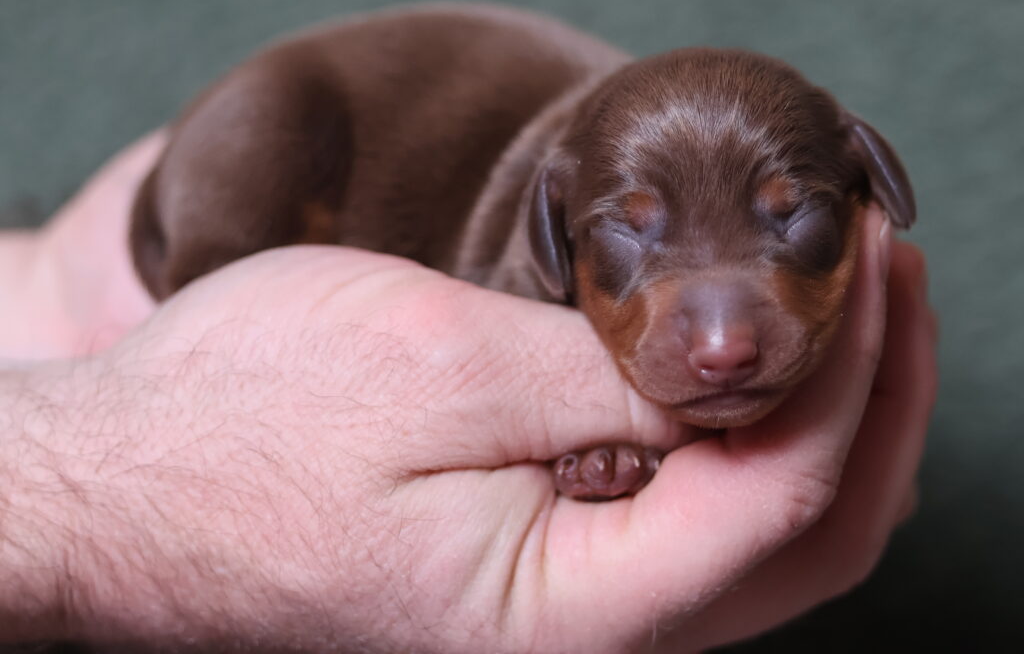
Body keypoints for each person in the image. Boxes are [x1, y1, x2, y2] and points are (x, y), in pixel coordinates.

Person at [0, 135, 936, 652]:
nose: (728, 340)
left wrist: (40, 296)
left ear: (872, 182)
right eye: (629, 235)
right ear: (555, 231)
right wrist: (101, 496)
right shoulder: (529, 220)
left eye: (797, 218)